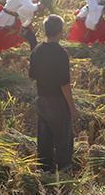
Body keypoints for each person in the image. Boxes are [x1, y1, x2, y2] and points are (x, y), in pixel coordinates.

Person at [29, 15, 77, 174]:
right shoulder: (61, 53)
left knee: (44, 140)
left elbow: (32, 75)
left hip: (41, 99)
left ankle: (44, 172)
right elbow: (64, 84)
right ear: (60, 31)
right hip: (57, 102)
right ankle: (64, 173)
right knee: (64, 141)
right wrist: (72, 107)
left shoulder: (37, 50)